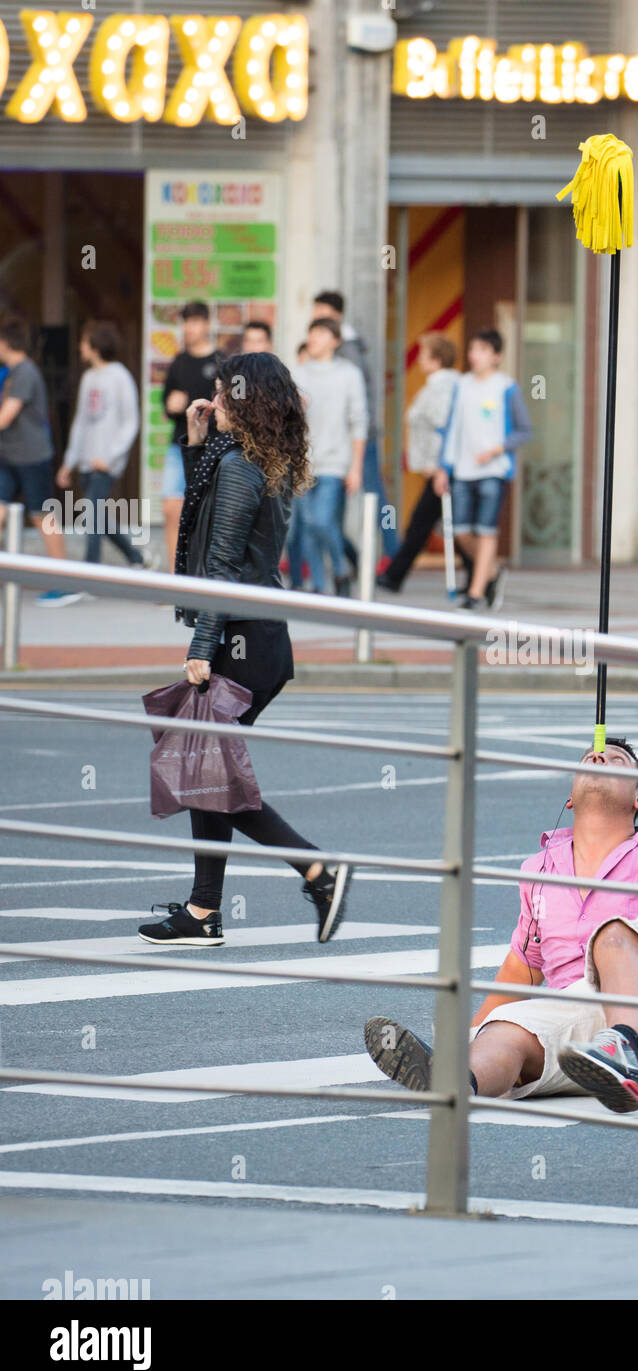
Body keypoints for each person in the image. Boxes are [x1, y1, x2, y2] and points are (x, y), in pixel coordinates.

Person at [365, 737, 638, 1114]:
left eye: (616, 760)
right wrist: (469, 1040)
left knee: (613, 933)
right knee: (506, 1033)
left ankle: (620, 1047)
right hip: (581, 1043)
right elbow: (520, 971)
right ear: (570, 799)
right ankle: (455, 1086)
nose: (598, 758)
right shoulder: (539, 871)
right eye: (590, 758)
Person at [138, 352, 353, 947]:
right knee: (207, 768)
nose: (211, 398)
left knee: (212, 773)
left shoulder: (239, 468)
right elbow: (208, 521)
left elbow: (223, 567)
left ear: (245, 400)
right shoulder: (255, 460)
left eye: (221, 393)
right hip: (258, 636)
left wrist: (203, 645)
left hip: (238, 638)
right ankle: (204, 910)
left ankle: (317, 868)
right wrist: (195, 440)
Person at [438, 328, 531, 610]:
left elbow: (524, 430)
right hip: (462, 470)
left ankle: (476, 593)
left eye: (481, 350)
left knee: (486, 530)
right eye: (472, 350)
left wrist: (496, 450)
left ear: (497, 356)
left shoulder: (506, 387)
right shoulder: (462, 385)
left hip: (494, 470)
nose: (473, 356)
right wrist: (444, 467)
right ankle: (491, 570)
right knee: (461, 532)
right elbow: (451, 428)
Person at [376, 333, 467, 595]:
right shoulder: (442, 384)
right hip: (441, 467)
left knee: (426, 524)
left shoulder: (442, 386)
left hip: (443, 469)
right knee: (434, 524)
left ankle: (394, 576)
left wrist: (438, 465)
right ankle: (394, 575)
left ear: (436, 359)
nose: (419, 359)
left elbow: (443, 427)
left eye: (424, 354)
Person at [312, 290, 399, 562]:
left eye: (322, 314)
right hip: (341, 438)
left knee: (374, 495)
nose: (316, 320)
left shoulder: (346, 349)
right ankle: (354, 559)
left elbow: (355, 401)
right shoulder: (344, 346)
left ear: (336, 316)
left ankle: (391, 554)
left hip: (358, 436)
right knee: (334, 508)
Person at [57, 321, 148, 575]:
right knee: (98, 517)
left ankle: (90, 573)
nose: (80, 347)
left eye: (84, 341)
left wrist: (110, 457)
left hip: (106, 462)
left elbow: (131, 421)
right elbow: (81, 422)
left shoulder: (120, 376)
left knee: (91, 512)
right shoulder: (88, 377)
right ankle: (136, 556)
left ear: (96, 346)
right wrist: (69, 462)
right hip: (87, 460)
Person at [292, 317, 367, 596]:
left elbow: (359, 421)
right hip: (302, 462)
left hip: (335, 462)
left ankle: (339, 568)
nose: (314, 339)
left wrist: (356, 467)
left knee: (322, 521)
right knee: (309, 526)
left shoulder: (349, 374)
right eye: (312, 333)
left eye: (321, 334)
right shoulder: (297, 374)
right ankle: (320, 586)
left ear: (335, 341)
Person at [0, 316, 71, 605]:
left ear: (5, 343)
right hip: (9, 457)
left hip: (32, 458)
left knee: (41, 516)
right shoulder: (13, 371)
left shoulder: (25, 372)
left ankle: (65, 581)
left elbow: (6, 416)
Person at [161, 301, 218, 571]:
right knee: (172, 509)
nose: (189, 329)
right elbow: (166, 406)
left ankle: (203, 576)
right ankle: (175, 578)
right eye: (186, 323)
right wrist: (171, 406)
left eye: (195, 322)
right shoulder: (178, 362)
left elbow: (230, 408)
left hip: (211, 447)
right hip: (179, 445)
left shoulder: (221, 362)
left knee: (207, 514)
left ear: (207, 324)